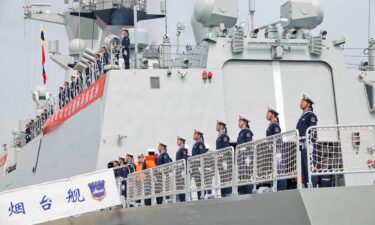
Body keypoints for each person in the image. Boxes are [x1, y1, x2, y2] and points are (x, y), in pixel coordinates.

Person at [296, 93, 318, 188]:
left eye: (303, 101)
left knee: (309, 165)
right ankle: (305, 184)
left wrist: (311, 143)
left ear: (308, 104)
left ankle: (312, 185)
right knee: (303, 166)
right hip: (301, 143)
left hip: (307, 143)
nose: (300, 103)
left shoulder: (311, 115)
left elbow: (312, 130)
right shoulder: (302, 116)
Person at [266, 107, 287, 191]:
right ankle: (277, 188)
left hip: (277, 151)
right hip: (273, 151)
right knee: (275, 171)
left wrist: (278, 152)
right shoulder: (271, 125)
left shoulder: (275, 125)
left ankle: (282, 189)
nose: (266, 115)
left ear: (273, 115)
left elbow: (277, 139)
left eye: (268, 113)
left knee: (280, 170)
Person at [237, 115, 254, 195]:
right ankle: (244, 193)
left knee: (247, 176)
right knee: (243, 177)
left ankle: (249, 193)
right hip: (241, 156)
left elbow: (249, 145)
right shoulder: (241, 132)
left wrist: (248, 157)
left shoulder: (247, 131)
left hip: (245, 156)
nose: (238, 123)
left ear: (244, 122)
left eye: (240, 121)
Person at [216, 120, 232, 197]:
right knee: (222, 179)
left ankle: (227, 195)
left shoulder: (224, 136)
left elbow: (226, 149)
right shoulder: (219, 136)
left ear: (222, 126)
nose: (216, 126)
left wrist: (225, 161)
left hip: (224, 161)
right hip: (220, 161)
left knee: (226, 179)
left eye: (218, 125)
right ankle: (223, 195)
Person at [191, 129, 206, 200]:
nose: (194, 135)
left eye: (195, 134)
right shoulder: (196, 143)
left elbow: (201, 155)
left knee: (200, 184)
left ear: (199, 135)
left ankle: (202, 197)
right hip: (195, 167)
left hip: (198, 166)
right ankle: (199, 197)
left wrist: (200, 166)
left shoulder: (200, 143)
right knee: (198, 184)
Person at [176, 136, 188, 202]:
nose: (177, 141)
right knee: (179, 186)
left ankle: (183, 199)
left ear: (182, 141)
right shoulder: (179, 149)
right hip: (178, 170)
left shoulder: (183, 149)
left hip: (181, 170)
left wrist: (183, 170)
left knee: (181, 185)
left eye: (178, 140)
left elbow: (184, 160)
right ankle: (181, 199)